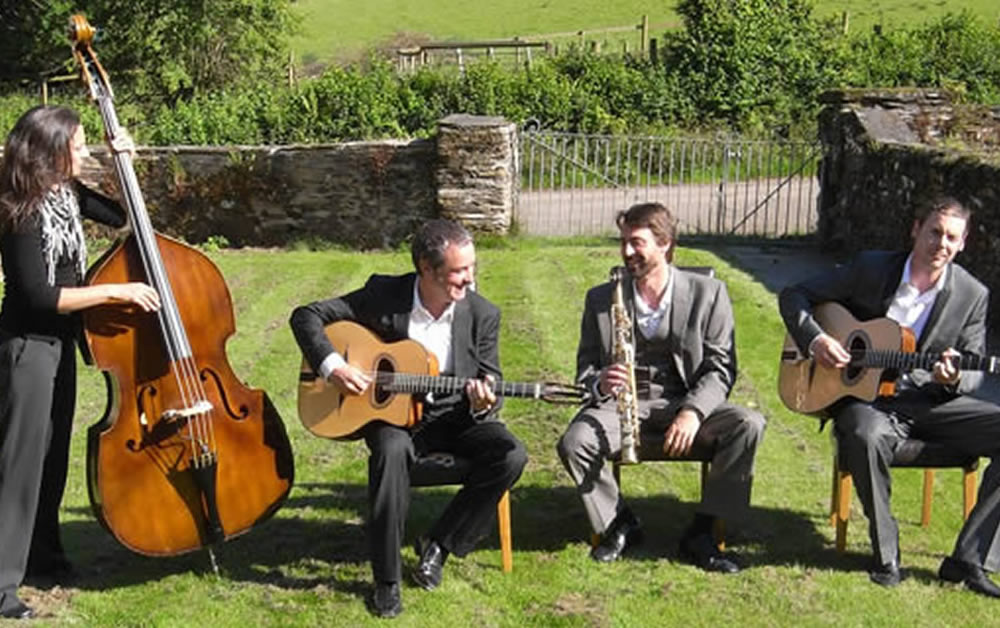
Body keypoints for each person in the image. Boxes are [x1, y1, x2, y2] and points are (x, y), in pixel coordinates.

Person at [289, 218, 527, 619]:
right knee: (390, 449)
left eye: (472, 268)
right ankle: (387, 580)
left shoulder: (483, 313)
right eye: (458, 272)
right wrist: (334, 368)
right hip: (395, 419)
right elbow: (306, 316)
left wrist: (484, 402)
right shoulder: (385, 294)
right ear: (426, 268)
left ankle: (439, 543)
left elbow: (492, 378)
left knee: (511, 455)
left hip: (456, 416)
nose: (470, 280)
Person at [780, 196, 1000, 596]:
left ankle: (969, 559)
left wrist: (951, 377)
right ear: (916, 229)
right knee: (866, 435)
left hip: (932, 402)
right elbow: (793, 294)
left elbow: (970, 373)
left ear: (964, 242)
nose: (941, 244)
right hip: (866, 399)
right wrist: (816, 340)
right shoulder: (871, 268)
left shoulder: (972, 294)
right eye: (934, 232)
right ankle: (885, 550)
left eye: (952, 237)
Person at [0, 105, 160, 619]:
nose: (85, 152)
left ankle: (44, 557)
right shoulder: (19, 208)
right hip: (26, 345)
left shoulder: (67, 195)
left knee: (52, 457)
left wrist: (122, 161)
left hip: (58, 346)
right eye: (80, 145)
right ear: (51, 149)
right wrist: (115, 293)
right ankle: (2, 585)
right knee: (18, 466)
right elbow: (37, 297)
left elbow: (124, 216)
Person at [557, 202, 765, 572]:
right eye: (623, 242)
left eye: (637, 242)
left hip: (686, 399)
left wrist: (693, 412)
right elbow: (585, 370)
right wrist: (600, 381)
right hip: (622, 403)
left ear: (665, 244)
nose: (626, 252)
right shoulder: (600, 298)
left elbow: (721, 369)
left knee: (748, 424)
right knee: (575, 442)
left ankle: (703, 532)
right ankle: (619, 522)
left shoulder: (710, 293)